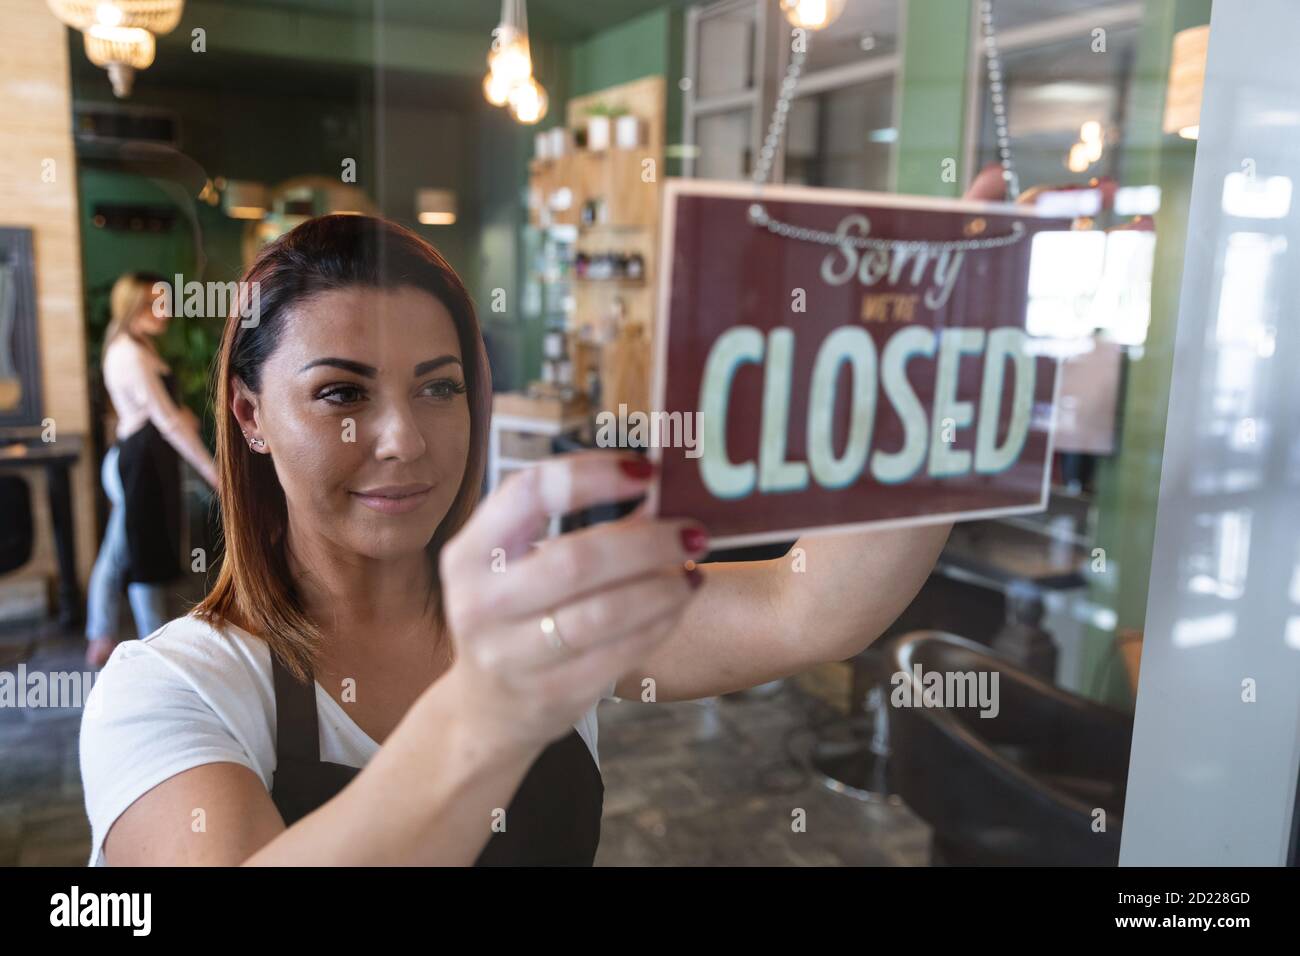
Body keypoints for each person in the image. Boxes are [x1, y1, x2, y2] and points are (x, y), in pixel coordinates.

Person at [79, 215, 949, 866]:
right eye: (342, 395)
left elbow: (807, 605)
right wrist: (489, 710)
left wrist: (943, 381)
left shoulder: (544, 608)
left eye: (439, 388)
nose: (405, 441)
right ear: (250, 414)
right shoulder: (168, 693)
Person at [84, 273, 218, 669]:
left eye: (166, 301)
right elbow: (164, 420)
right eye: (156, 303)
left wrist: (183, 415)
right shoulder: (128, 352)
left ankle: (103, 634)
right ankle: (154, 648)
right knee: (139, 550)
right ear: (134, 307)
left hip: (145, 460)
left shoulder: (141, 347)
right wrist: (213, 473)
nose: (166, 310)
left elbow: (162, 410)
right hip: (137, 465)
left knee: (121, 550)